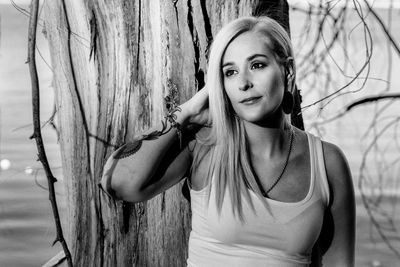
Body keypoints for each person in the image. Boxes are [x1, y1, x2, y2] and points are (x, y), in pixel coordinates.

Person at [100, 16, 355, 267]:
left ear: (287, 71)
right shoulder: (204, 145)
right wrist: (186, 112)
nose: (243, 83)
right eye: (230, 72)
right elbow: (118, 184)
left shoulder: (326, 162)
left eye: (257, 65)